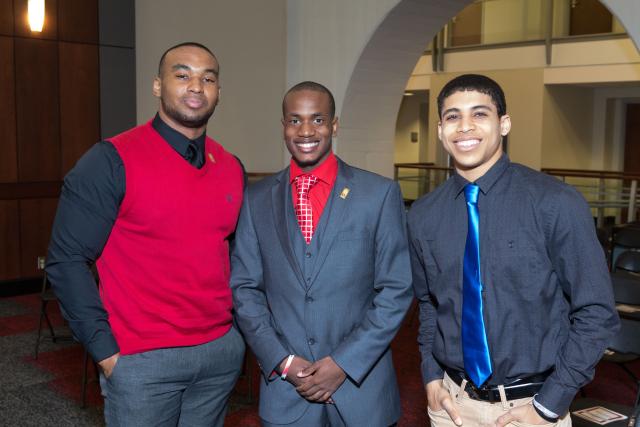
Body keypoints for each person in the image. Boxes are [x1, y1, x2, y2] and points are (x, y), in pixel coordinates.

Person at [46, 42, 245, 426]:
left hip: (218, 354)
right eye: (182, 74)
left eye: (208, 78)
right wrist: (106, 352)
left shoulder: (231, 167)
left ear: (218, 91)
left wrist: (235, 335)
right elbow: (66, 260)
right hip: (142, 360)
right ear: (157, 86)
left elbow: (234, 254)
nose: (196, 86)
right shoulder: (110, 160)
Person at [408, 74, 620, 427]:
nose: (464, 127)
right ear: (440, 130)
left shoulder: (556, 203)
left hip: (531, 409)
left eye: (479, 114)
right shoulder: (423, 214)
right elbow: (430, 304)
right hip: (451, 407)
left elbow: (596, 312)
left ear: (503, 124)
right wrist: (431, 377)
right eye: (452, 116)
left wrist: (550, 404)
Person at [230, 81, 413, 426]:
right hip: (287, 392)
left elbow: (396, 288)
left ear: (334, 125)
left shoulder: (378, 194)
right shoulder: (256, 200)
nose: (306, 130)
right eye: (295, 120)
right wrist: (282, 361)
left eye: (317, 119)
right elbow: (244, 290)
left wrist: (343, 363)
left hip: (364, 392)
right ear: (283, 126)